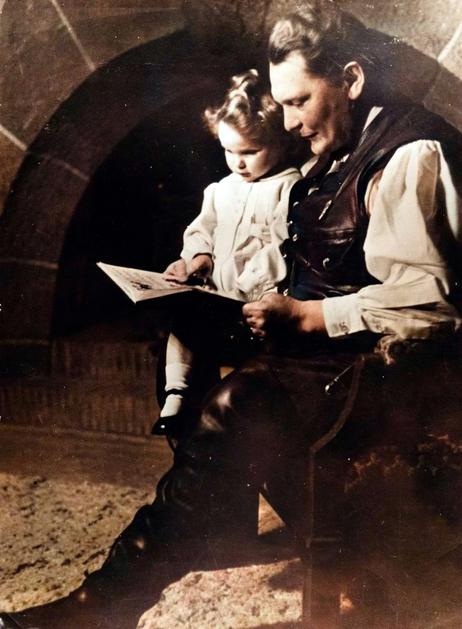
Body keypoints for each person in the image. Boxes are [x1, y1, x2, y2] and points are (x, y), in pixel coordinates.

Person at [2, 2, 462, 628]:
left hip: (385, 383)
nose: (290, 122)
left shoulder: (409, 155)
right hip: (332, 361)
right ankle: (196, 536)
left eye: (299, 101)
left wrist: (306, 317)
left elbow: (432, 305)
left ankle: (106, 603)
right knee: (199, 355)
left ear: (351, 79)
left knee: (235, 404)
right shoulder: (335, 153)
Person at [152, 68, 301, 436]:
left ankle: (234, 420)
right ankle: (176, 392)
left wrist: (246, 286)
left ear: (280, 142)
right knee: (181, 323)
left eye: (250, 151)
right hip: (214, 298)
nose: (238, 162)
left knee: (246, 377)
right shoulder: (221, 190)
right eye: (229, 150)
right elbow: (202, 230)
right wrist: (198, 258)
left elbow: (284, 247)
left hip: (254, 304)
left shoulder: (289, 187)